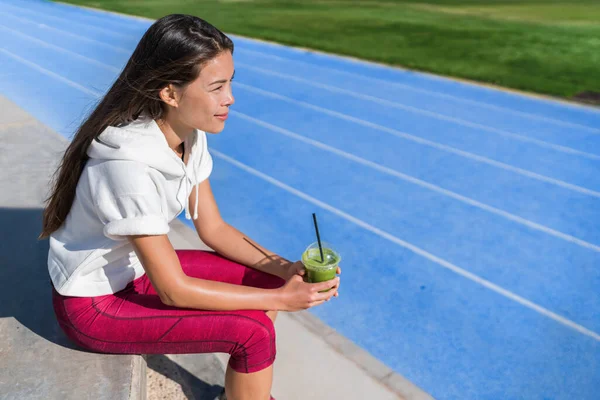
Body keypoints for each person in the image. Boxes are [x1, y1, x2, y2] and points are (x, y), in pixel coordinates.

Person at [39, 14, 341, 400]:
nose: (230, 98)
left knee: (267, 281)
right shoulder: (127, 168)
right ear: (170, 93)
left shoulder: (186, 136)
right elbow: (173, 291)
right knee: (254, 332)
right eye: (217, 87)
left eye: (230, 83)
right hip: (95, 304)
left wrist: (285, 270)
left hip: (133, 273)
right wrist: (282, 300)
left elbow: (213, 228)